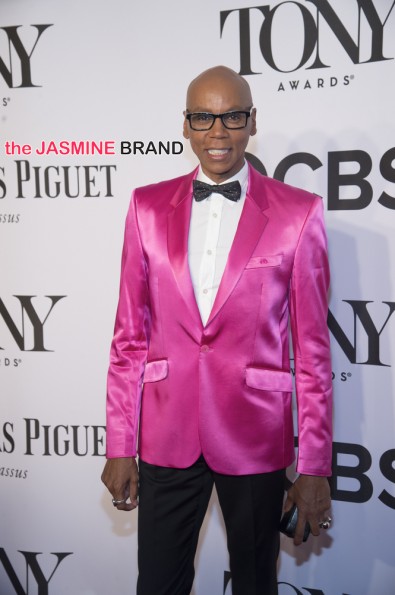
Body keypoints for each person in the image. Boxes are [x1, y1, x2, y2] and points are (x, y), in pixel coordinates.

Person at [101, 65, 333, 595]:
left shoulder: (299, 214)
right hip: (166, 434)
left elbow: (314, 350)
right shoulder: (146, 207)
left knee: (256, 584)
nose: (218, 132)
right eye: (203, 117)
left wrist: (315, 465)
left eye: (231, 116)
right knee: (158, 583)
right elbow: (128, 339)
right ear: (185, 125)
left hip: (254, 436)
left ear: (252, 121)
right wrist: (120, 444)